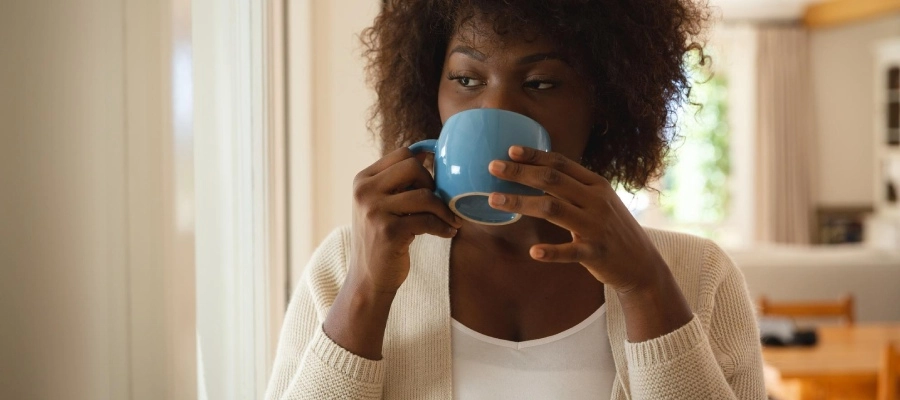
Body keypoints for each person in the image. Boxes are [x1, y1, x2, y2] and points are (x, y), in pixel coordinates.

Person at [266, 1, 766, 399]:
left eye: (541, 83)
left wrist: (647, 286)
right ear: (430, 91)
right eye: (466, 79)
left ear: (606, 104)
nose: (496, 107)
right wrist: (366, 291)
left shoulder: (696, 274)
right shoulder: (347, 263)